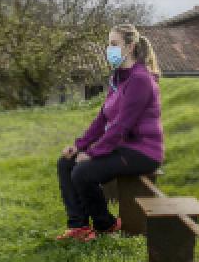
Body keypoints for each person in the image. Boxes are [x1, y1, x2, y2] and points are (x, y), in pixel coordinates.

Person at [55, 24, 164, 242]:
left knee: (82, 172)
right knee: (65, 163)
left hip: (142, 151)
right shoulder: (118, 78)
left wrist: (94, 153)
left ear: (130, 46)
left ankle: (106, 224)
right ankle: (79, 226)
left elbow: (122, 125)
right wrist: (79, 146)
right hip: (122, 147)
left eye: (114, 44)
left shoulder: (140, 79)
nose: (109, 49)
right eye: (109, 44)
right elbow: (103, 118)